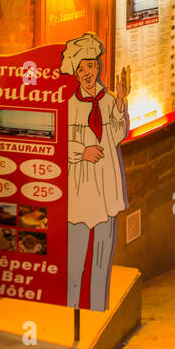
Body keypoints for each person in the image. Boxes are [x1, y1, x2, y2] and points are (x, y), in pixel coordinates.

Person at [60, 33, 130, 311]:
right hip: (79, 194)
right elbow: (58, 143)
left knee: (102, 262)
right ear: (75, 73)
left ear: (97, 67)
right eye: (81, 68)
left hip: (106, 193)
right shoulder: (69, 106)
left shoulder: (108, 101)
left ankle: (98, 311)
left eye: (91, 66)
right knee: (74, 264)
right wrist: (81, 152)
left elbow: (116, 134)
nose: (87, 73)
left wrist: (122, 103)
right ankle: (71, 313)